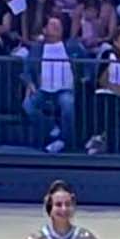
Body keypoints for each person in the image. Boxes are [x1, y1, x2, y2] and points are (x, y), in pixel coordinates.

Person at [21, 15, 83, 154]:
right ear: (44, 29)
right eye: (52, 25)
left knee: (67, 104)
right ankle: (51, 128)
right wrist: (30, 84)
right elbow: (26, 70)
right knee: (28, 105)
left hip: (65, 89)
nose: (56, 27)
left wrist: (83, 78)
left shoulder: (71, 46)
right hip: (43, 89)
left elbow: (86, 64)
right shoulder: (37, 48)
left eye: (58, 25)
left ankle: (64, 140)